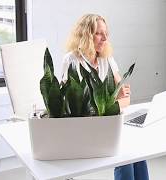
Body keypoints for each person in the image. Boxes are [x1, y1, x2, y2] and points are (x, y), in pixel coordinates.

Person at [61, 14, 149, 180]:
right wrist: (112, 102)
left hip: (108, 126)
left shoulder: (106, 59)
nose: (105, 38)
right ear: (86, 35)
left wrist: (111, 102)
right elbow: (70, 107)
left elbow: (126, 98)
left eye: (106, 33)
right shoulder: (71, 61)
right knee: (125, 156)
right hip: (84, 130)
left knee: (137, 153)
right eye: (99, 33)